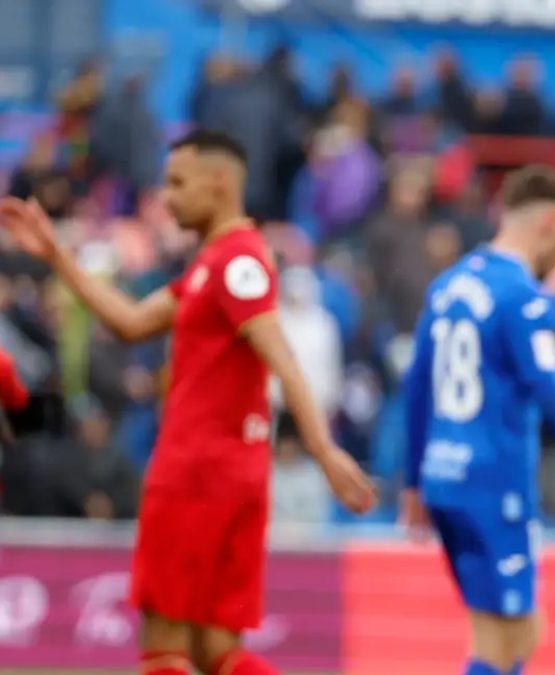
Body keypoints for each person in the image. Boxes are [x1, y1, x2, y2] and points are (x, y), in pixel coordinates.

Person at [0, 129, 376, 675]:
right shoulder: (213, 264)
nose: (166, 196)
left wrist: (323, 452)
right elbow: (130, 322)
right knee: (215, 652)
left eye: (177, 182)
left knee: (162, 645)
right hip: (229, 470)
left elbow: (280, 355)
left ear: (220, 182)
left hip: (198, 470)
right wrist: (57, 254)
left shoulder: (236, 264)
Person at [403, 165, 555, 675]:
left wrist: (410, 481)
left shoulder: (448, 285)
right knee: (510, 638)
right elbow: (551, 394)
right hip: (495, 487)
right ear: (551, 223)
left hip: (443, 479)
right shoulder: (520, 293)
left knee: (504, 631)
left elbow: (416, 387)